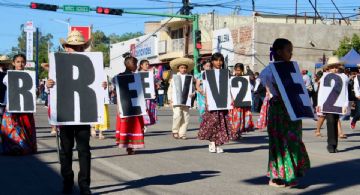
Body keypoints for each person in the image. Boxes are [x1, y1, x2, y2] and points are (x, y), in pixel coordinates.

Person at [46, 30, 102, 194]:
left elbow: (99, 84)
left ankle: (84, 185)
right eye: (72, 47)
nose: (75, 50)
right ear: (66, 47)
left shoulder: (91, 63)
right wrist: (49, 85)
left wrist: (102, 86)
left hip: (84, 114)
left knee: (84, 151)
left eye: (79, 47)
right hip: (65, 114)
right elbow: (52, 90)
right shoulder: (58, 64)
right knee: (66, 150)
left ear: (83, 48)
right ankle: (67, 181)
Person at [260, 38, 310, 187]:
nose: (291, 53)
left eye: (291, 50)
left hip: (293, 109)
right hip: (279, 110)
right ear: (279, 52)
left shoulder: (292, 69)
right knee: (280, 142)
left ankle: (290, 173)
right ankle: (276, 177)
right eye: (289, 50)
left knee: (293, 140)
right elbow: (273, 90)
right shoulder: (269, 71)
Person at [0, 54, 37, 156]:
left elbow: (33, 90)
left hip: (25, 106)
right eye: (18, 62)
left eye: (22, 62)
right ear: (13, 63)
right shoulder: (8, 76)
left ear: (25, 63)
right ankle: (13, 148)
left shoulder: (29, 75)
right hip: (12, 105)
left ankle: (24, 147)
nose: (20, 64)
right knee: (11, 128)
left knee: (25, 128)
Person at [198, 53, 231, 153]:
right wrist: (207, 100)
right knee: (212, 123)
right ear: (212, 61)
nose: (219, 62)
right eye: (216, 60)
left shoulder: (227, 73)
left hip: (223, 102)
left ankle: (218, 143)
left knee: (221, 123)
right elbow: (206, 88)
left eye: (220, 60)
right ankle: (212, 141)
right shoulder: (207, 73)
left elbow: (229, 87)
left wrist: (231, 99)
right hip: (212, 102)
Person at [114, 53, 144, 155]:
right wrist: (118, 106)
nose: (136, 66)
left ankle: (131, 147)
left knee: (134, 125)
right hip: (125, 105)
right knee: (127, 125)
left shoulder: (137, 77)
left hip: (135, 105)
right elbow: (117, 93)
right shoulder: (119, 77)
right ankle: (128, 146)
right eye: (135, 64)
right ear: (129, 64)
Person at [317, 56, 349, 153]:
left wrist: (345, 104)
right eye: (332, 67)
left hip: (338, 103)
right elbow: (321, 91)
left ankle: (334, 145)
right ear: (329, 68)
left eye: (336, 67)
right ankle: (330, 145)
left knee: (335, 123)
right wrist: (319, 104)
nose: (334, 69)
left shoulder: (344, 77)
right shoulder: (324, 76)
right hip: (328, 104)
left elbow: (345, 91)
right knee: (330, 122)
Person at [167, 57, 194, 140]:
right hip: (176, 100)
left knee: (186, 116)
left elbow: (192, 89)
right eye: (182, 67)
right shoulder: (174, 78)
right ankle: (175, 131)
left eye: (185, 68)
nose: (183, 69)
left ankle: (182, 133)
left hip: (186, 100)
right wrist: (170, 99)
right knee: (177, 115)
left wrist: (192, 94)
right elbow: (170, 89)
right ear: (178, 68)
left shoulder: (190, 78)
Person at [229, 63, 254, 139]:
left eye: (239, 70)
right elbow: (229, 89)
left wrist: (250, 77)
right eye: (236, 70)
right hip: (234, 102)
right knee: (235, 118)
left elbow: (251, 88)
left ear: (242, 70)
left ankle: (239, 133)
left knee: (241, 118)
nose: (237, 72)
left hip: (243, 102)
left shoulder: (246, 79)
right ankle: (234, 133)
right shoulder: (231, 79)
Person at [138, 59, 158, 131]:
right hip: (141, 96)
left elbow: (154, 84)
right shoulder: (137, 74)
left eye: (148, 64)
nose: (147, 66)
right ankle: (142, 124)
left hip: (149, 96)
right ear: (141, 65)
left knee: (148, 109)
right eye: (146, 64)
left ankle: (145, 124)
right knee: (142, 110)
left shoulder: (151, 74)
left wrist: (155, 91)